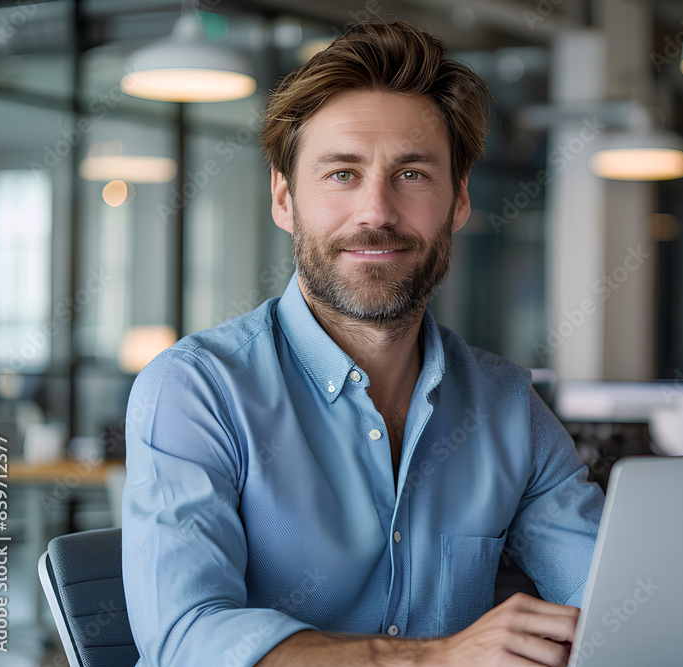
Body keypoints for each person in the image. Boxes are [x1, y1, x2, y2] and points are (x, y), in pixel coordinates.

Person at [121, 20, 604, 667]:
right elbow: (186, 641)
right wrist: (435, 658)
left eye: (411, 174)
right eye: (343, 174)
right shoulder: (196, 390)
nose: (376, 211)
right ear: (285, 197)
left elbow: (615, 599)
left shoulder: (507, 405)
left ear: (458, 200)